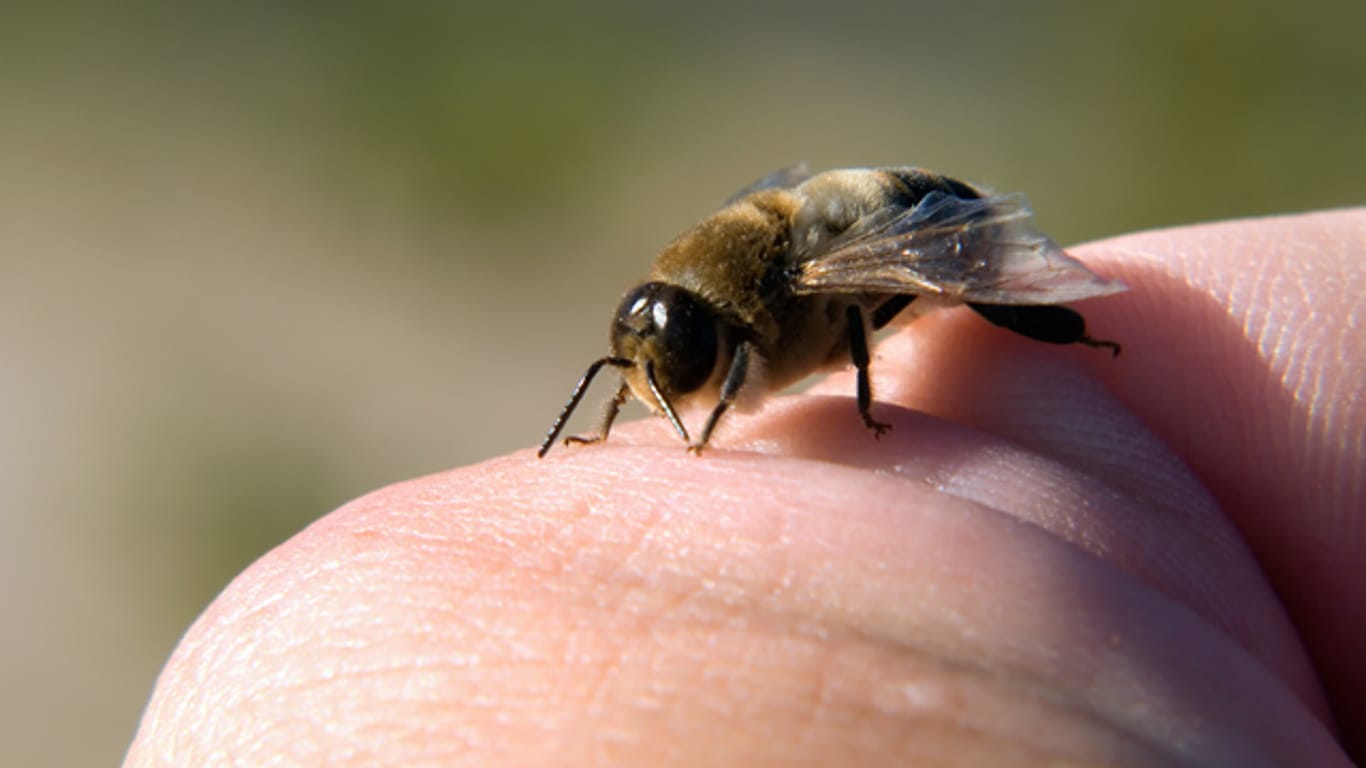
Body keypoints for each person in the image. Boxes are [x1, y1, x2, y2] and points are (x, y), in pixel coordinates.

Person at [125, 211, 1364, 766]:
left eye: (679, 367)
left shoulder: (821, 286)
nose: (661, 385)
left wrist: (874, 408)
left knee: (932, 299)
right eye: (645, 371)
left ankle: (1070, 332)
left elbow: (878, 287)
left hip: (896, 223)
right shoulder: (691, 310)